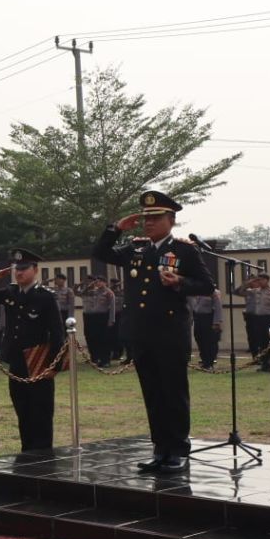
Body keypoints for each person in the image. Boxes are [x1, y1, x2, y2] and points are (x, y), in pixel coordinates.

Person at [92, 190, 214, 473]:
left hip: (170, 333)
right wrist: (115, 229)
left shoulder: (184, 251)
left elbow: (207, 285)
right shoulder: (136, 249)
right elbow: (100, 253)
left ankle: (178, 451)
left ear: (171, 220)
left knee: (174, 393)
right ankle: (160, 449)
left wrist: (180, 281)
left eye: (155, 218)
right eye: (146, 218)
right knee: (153, 394)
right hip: (141, 333)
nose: (148, 223)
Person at [0, 249, 65, 451]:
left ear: (35, 270)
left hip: (39, 361)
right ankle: (27, 451)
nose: (19, 273)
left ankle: (43, 452)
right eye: (17, 269)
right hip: (17, 361)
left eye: (24, 269)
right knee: (22, 408)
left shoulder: (45, 297)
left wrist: (55, 366)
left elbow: (57, 333)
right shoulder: (11, 293)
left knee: (41, 411)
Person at [234, 273, 270, 371]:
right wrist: (249, 283)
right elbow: (239, 292)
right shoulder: (255, 291)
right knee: (261, 342)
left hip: (269, 318)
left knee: (269, 342)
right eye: (259, 280)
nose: (260, 282)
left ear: (267, 280)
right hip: (258, 319)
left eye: (262, 280)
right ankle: (264, 364)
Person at [77, 276, 115, 368]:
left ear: (105, 282)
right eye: (97, 282)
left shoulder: (108, 292)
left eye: (100, 281)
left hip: (102, 317)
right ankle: (96, 358)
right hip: (91, 317)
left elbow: (112, 307)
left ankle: (106, 360)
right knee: (93, 338)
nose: (98, 283)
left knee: (104, 339)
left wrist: (111, 319)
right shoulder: (92, 291)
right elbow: (79, 293)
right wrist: (86, 286)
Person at [188, 288, 223, 370]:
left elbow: (218, 307)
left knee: (209, 341)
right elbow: (192, 306)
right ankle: (204, 360)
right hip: (198, 317)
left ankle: (209, 362)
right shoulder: (195, 291)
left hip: (208, 318)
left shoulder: (213, 292)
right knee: (199, 338)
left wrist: (216, 322)